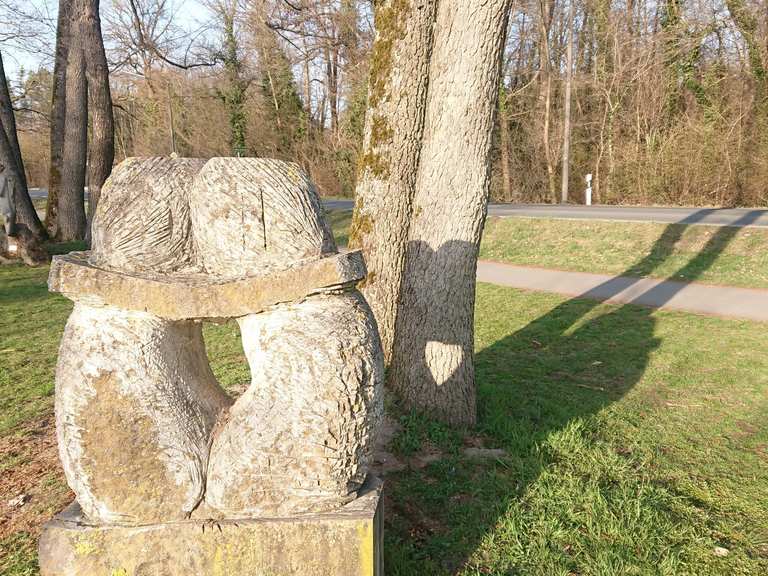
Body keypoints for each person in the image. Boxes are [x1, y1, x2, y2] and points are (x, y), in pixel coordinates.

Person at [0, 163, 17, 237]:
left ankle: (9, 231)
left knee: (8, 215)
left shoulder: (2, 178)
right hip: (6, 203)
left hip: (6, 204)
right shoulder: (4, 177)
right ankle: (9, 230)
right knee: (8, 214)